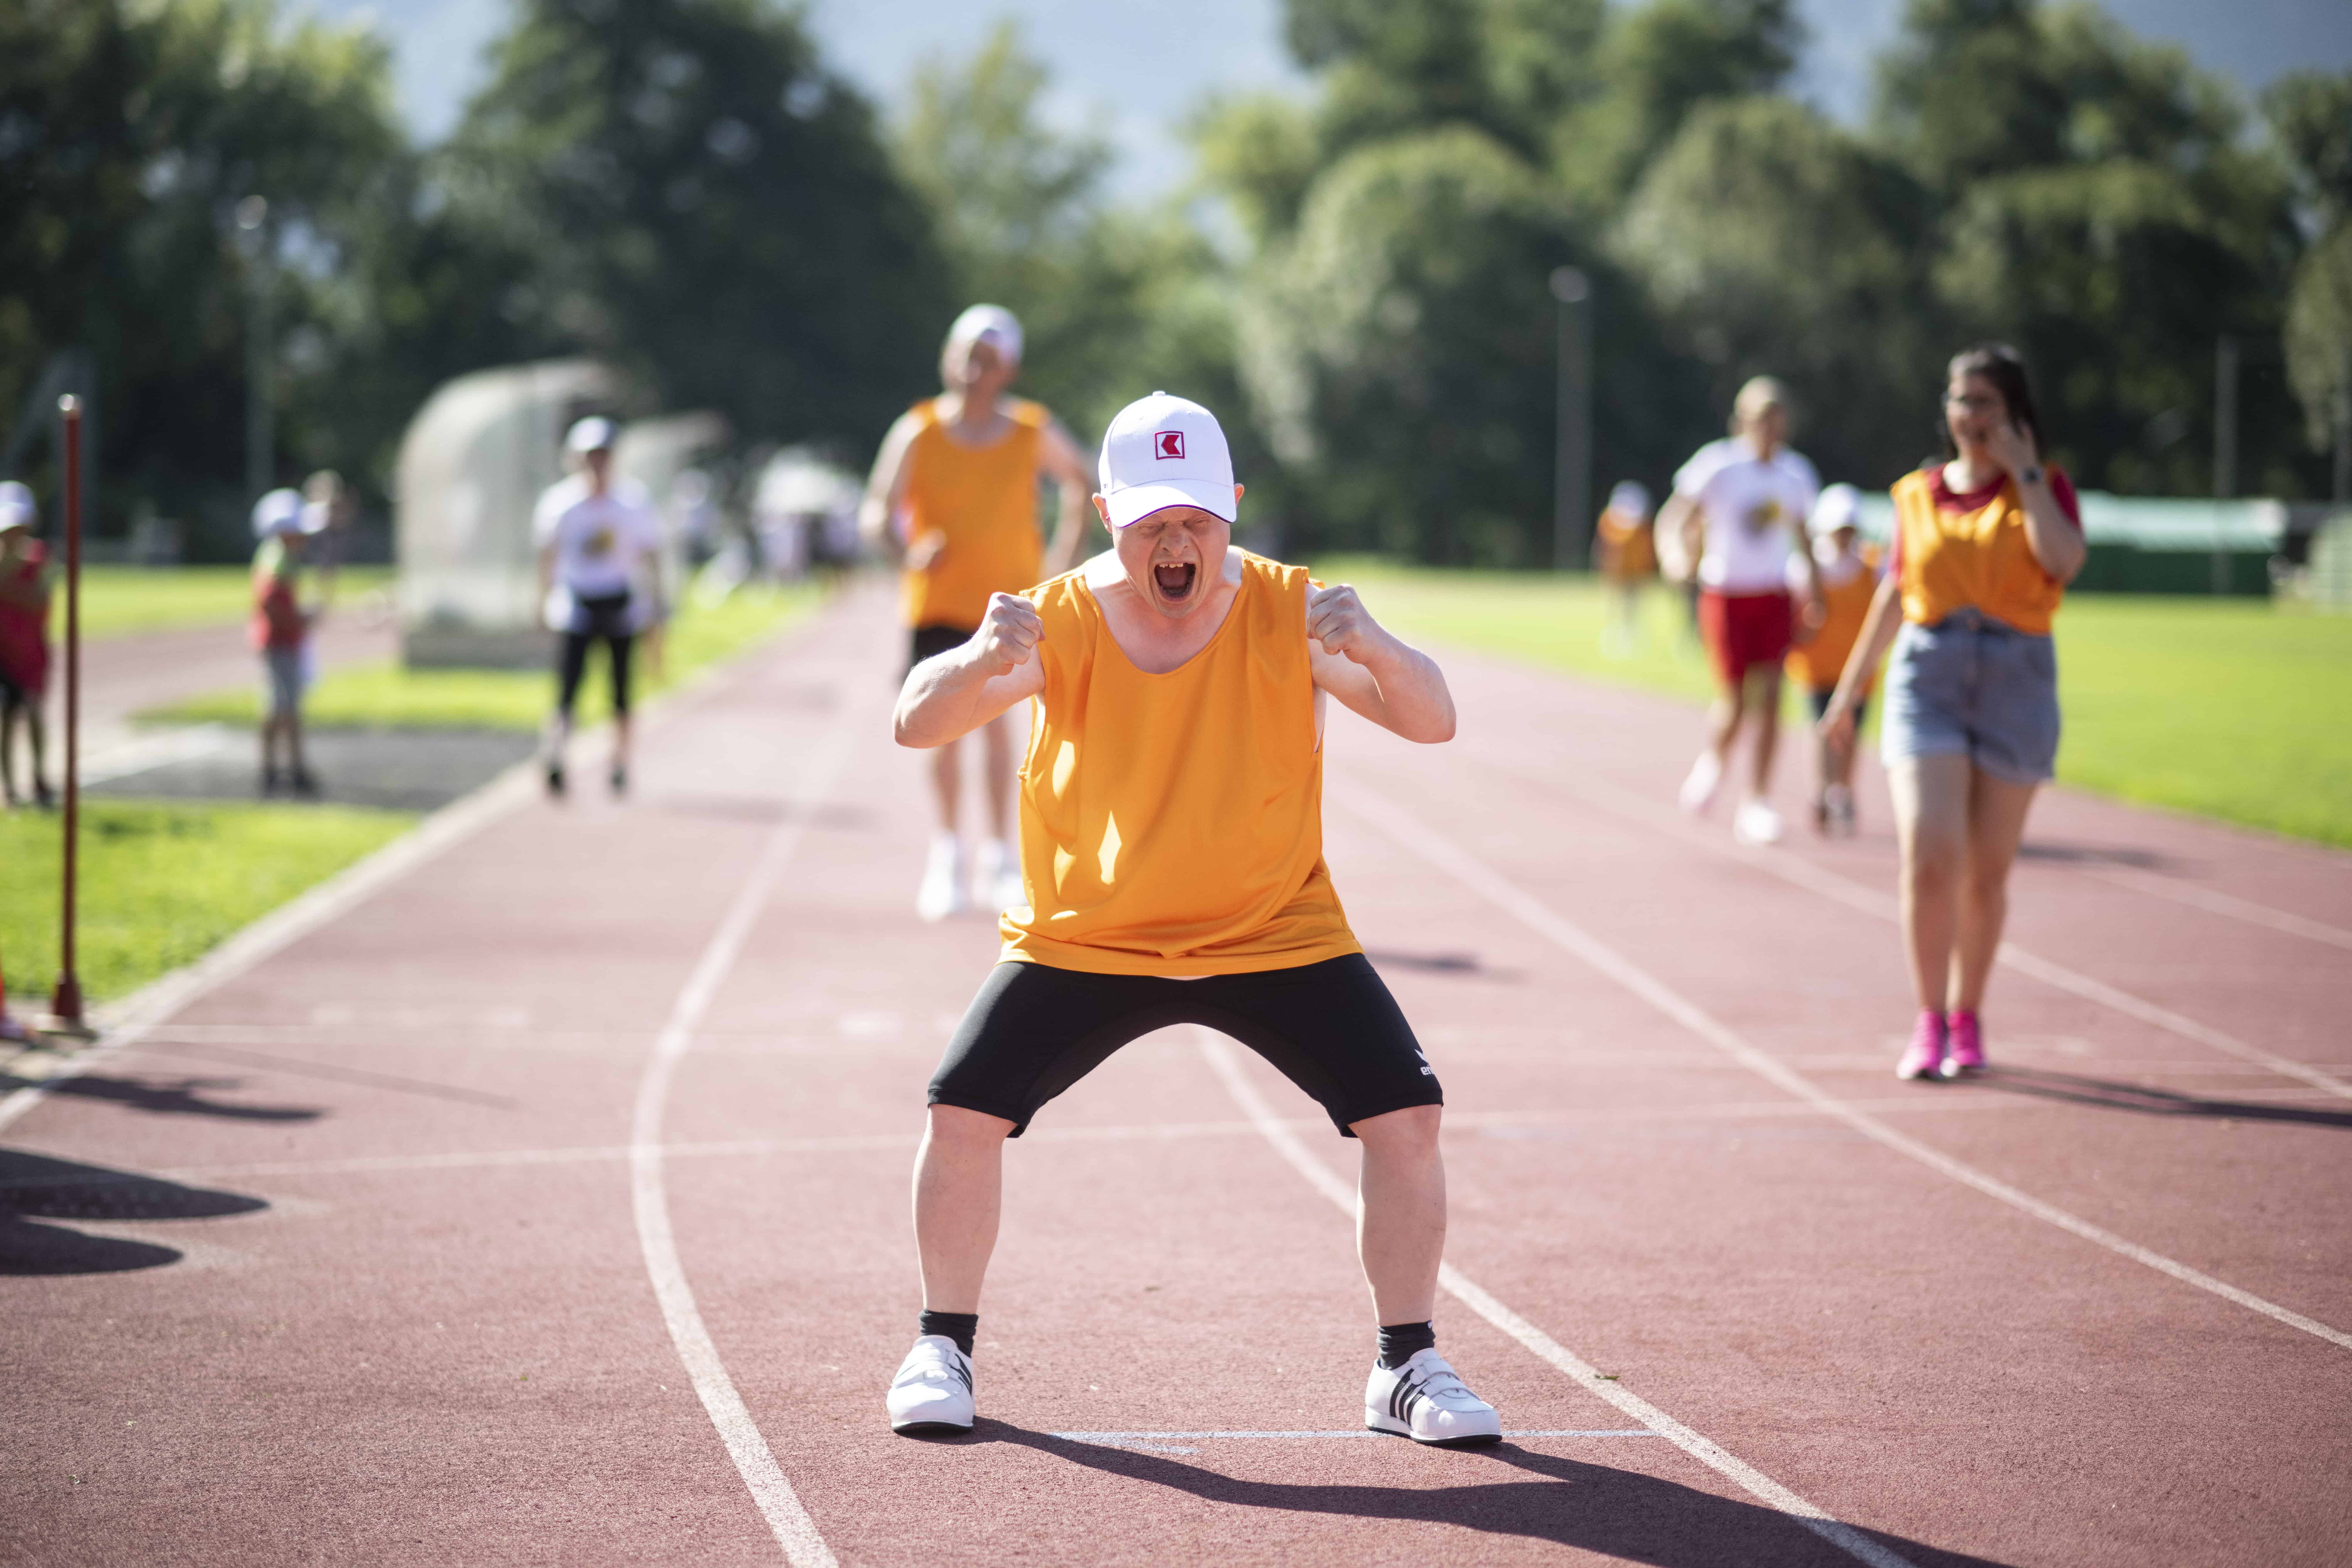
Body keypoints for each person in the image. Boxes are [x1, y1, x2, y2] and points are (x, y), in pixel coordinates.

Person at [881, 391, 1500, 1449]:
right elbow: (914, 721)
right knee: (961, 1111)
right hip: (1090, 932)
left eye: (1197, 521)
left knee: (1407, 1114)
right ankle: (941, 1345)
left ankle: (1406, 1363)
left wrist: (1384, 646)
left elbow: (1434, 720)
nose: (1177, 544)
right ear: (1111, 513)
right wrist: (977, 657)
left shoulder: (1288, 610)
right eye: (1152, 522)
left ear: (1233, 511)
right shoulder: (1057, 618)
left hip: (1272, 927)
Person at [1819, 345, 2085, 1081]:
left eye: (1985, 404)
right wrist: (1848, 694)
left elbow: (2061, 562)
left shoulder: (2046, 488)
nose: (1969, 417)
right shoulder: (1912, 495)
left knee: (1986, 875)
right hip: (1925, 677)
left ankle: (1967, 1016)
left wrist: (2026, 473)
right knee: (1930, 854)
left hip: (2015, 677)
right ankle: (1928, 1018)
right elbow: (1890, 597)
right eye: (1960, 401)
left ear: (2014, 415)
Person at [860, 305, 1093, 921]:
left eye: (986, 359)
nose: (971, 368)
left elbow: (1082, 481)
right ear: (947, 357)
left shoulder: (1030, 431)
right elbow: (875, 513)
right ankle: (947, 855)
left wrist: (1063, 565)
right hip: (937, 606)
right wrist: (908, 552)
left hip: (1011, 607)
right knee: (941, 730)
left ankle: (999, 859)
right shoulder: (919, 430)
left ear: (1008, 369)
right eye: (963, 353)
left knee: (999, 732)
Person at [1658, 377, 1822, 846]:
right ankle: (1714, 761)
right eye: (1759, 420)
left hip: (1773, 595)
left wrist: (1815, 593)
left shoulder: (1796, 475)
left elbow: (1804, 537)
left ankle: (1757, 800)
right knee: (1733, 702)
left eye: (1776, 420)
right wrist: (1673, 555)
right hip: (1725, 594)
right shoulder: (1717, 465)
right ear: (1741, 422)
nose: (1769, 429)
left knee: (1771, 697)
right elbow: (1675, 516)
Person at [534, 416, 665, 799]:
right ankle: (556, 756)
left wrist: (656, 606)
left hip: (621, 603)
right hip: (576, 603)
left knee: (621, 691)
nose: (597, 464)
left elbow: (650, 556)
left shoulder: (632, 502)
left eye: (604, 456)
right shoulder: (560, 503)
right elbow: (546, 557)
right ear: (577, 459)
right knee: (567, 690)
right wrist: (541, 603)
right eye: (591, 456)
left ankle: (620, 762)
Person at [1784, 483, 1882, 836]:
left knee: (1851, 733)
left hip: (1858, 670)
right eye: (1838, 529)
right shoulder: (1806, 567)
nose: (1843, 537)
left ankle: (1842, 789)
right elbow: (1791, 614)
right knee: (1819, 729)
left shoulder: (1873, 565)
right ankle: (1819, 792)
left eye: (1849, 530)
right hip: (1815, 666)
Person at [250, 487, 326, 797]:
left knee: (286, 707)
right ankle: (285, 770)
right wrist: (299, 620)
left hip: (285, 641)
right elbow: (270, 604)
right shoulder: (277, 560)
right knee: (283, 707)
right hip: (279, 643)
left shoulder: (282, 558)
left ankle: (285, 768)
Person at [0, 481, 54, 809]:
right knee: (6, 717)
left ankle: (39, 776)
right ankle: (9, 787)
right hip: (2, 653)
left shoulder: (38, 558)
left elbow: (42, 599)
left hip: (31, 651)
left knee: (34, 712)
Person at [1591, 479, 1656, 657]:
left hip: (1636, 574)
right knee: (1615, 607)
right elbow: (1604, 548)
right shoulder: (1610, 521)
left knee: (1634, 607)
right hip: (1616, 574)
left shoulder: (1642, 526)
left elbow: (1646, 551)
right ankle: (1614, 636)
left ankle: (1631, 637)